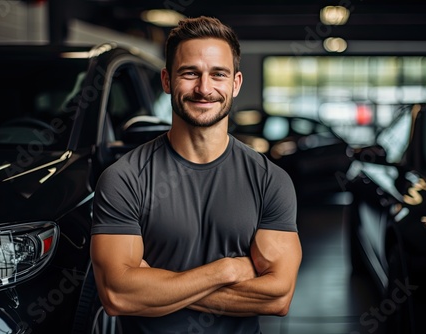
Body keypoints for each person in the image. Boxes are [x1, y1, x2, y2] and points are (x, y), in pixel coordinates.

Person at [90, 16, 302, 333]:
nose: (204, 89)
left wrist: (156, 288)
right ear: (166, 80)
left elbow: (277, 297)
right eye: (190, 74)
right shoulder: (124, 178)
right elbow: (118, 295)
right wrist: (226, 270)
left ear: (236, 83)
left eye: (218, 74)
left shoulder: (269, 180)